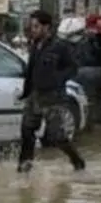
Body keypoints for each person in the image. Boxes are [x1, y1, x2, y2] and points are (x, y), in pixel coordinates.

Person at [18, 10, 86, 172]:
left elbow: (73, 67)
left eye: (36, 26)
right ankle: (24, 166)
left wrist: (57, 79)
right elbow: (30, 70)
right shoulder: (35, 45)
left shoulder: (59, 46)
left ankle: (77, 162)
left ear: (46, 27)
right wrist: (26, 92)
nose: (32, 29)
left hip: (53, 97)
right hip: (35, 95)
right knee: (27, 130)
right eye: (32, 26)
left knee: (56, 137)